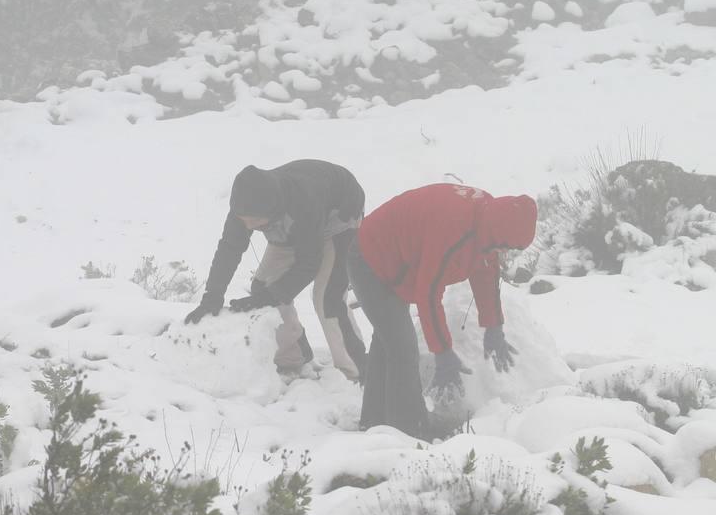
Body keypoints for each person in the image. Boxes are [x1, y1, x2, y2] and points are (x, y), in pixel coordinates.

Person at [349, 183, 538, 438]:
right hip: (370, 257)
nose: (505, 254)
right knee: (402, 348)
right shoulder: (454, 229)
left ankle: (374, 424)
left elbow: (485, 268)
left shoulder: (488, 219)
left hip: (396, 258)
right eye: (506, 247)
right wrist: (443, 353)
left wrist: (493, 326)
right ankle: (408, 434)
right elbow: (428, 293)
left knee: (389, 342)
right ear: (498, 233)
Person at [183, 161, 368, 381]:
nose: (249, 226)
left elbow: (309, 263)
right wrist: (212, 296)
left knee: (327, 296)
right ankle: (292, 356)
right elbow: (229, 248)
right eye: (245, 221)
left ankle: (358, 370)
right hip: (294, 225)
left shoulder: (304, 201)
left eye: (255, 221)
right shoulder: (244, 207)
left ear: (270, 209)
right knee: (264, 287)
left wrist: (272, 295)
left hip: (340, 218)